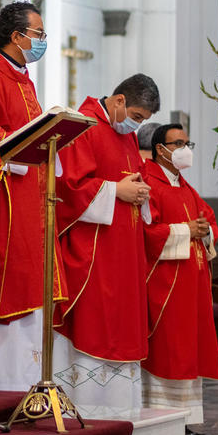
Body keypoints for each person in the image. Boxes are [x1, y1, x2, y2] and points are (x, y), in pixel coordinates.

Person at [0, 1, 67, 390]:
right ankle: (3, 386)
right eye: (37, 35)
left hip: (32, 197)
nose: (41, 42)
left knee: (35, 286)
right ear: (16, 35)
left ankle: (32, 385)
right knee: (10, 283)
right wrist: (15, 157)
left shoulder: (22, 77)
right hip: (3, 196)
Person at [53, 74, 159, 409]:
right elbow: (67, 189)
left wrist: (138, 191)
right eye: (137, 117)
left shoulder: (124, 136)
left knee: (123, 323)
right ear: (118, 102)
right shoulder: (83, 127)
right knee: (95, 322)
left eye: (143, 121)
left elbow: (131, 179)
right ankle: (87, 405)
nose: (136, 126)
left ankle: (120, 407)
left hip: (123, 252)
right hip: (94, 252)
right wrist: (117, 190)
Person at [141, 123, 218, 435]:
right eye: (178, 143)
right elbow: (145, 234)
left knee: (188, 353)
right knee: (169, 351)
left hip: (191, 286)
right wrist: (186, 231)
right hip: (165, 284)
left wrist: (204, 231)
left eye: (188, 143)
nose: (184, 149)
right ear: (160, 148)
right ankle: (165, 419)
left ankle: (185, 420)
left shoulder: (185, 186)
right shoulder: (150, 183)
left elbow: (208, 221)